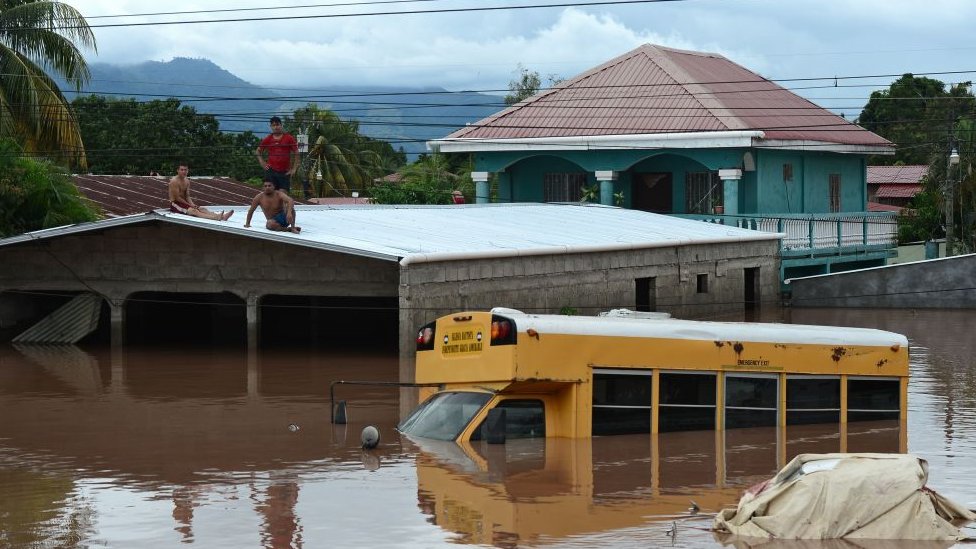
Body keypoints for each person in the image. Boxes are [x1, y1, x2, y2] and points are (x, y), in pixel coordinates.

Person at [168, 164, 233, 220]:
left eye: (185, 170)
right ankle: (216, 218)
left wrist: (192, 204)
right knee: (194, 211)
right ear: (177, 170)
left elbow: (187, 196)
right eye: (182, 170)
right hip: (175, 204)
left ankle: (222, 216)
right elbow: (177, 198)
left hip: (185, 203)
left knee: (202, 209)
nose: (184, 171)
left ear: (188, 171)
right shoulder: (174, 181)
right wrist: (189, 205)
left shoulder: (187, 181)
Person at [254, 116, 299, 194]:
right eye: (273, 125)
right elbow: (258, 151)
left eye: (277, 125)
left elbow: (296, 153)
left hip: (285, 172)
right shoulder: (268, 139)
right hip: (271, 171)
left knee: (282, 195)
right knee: (271, 195)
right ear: (271, 127)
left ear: (281, 125)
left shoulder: (289, 138)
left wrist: (294, 169)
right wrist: (262, 163)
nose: (276, 127)